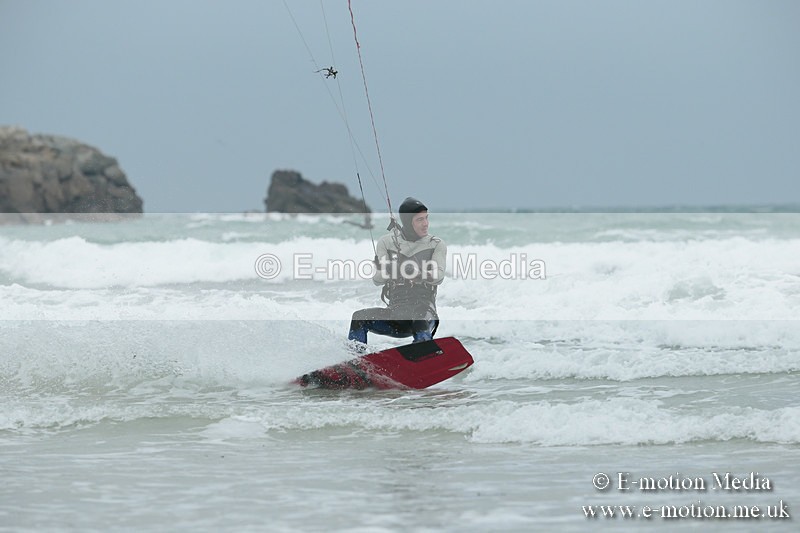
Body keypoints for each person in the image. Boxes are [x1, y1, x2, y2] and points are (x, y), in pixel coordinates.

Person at [347, 197, 447, 348]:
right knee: (358, 318)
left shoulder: (436, 244)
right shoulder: (386, 243)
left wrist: (415, 271)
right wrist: (390, 268)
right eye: (420, 219)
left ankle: (424, 348)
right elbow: (377, 280)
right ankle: (356, 357)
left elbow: (438, 277)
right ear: (408, 222)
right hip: (396, 316)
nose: (426, 223)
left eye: (426, 218)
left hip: (424, 314)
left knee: (419, 318)